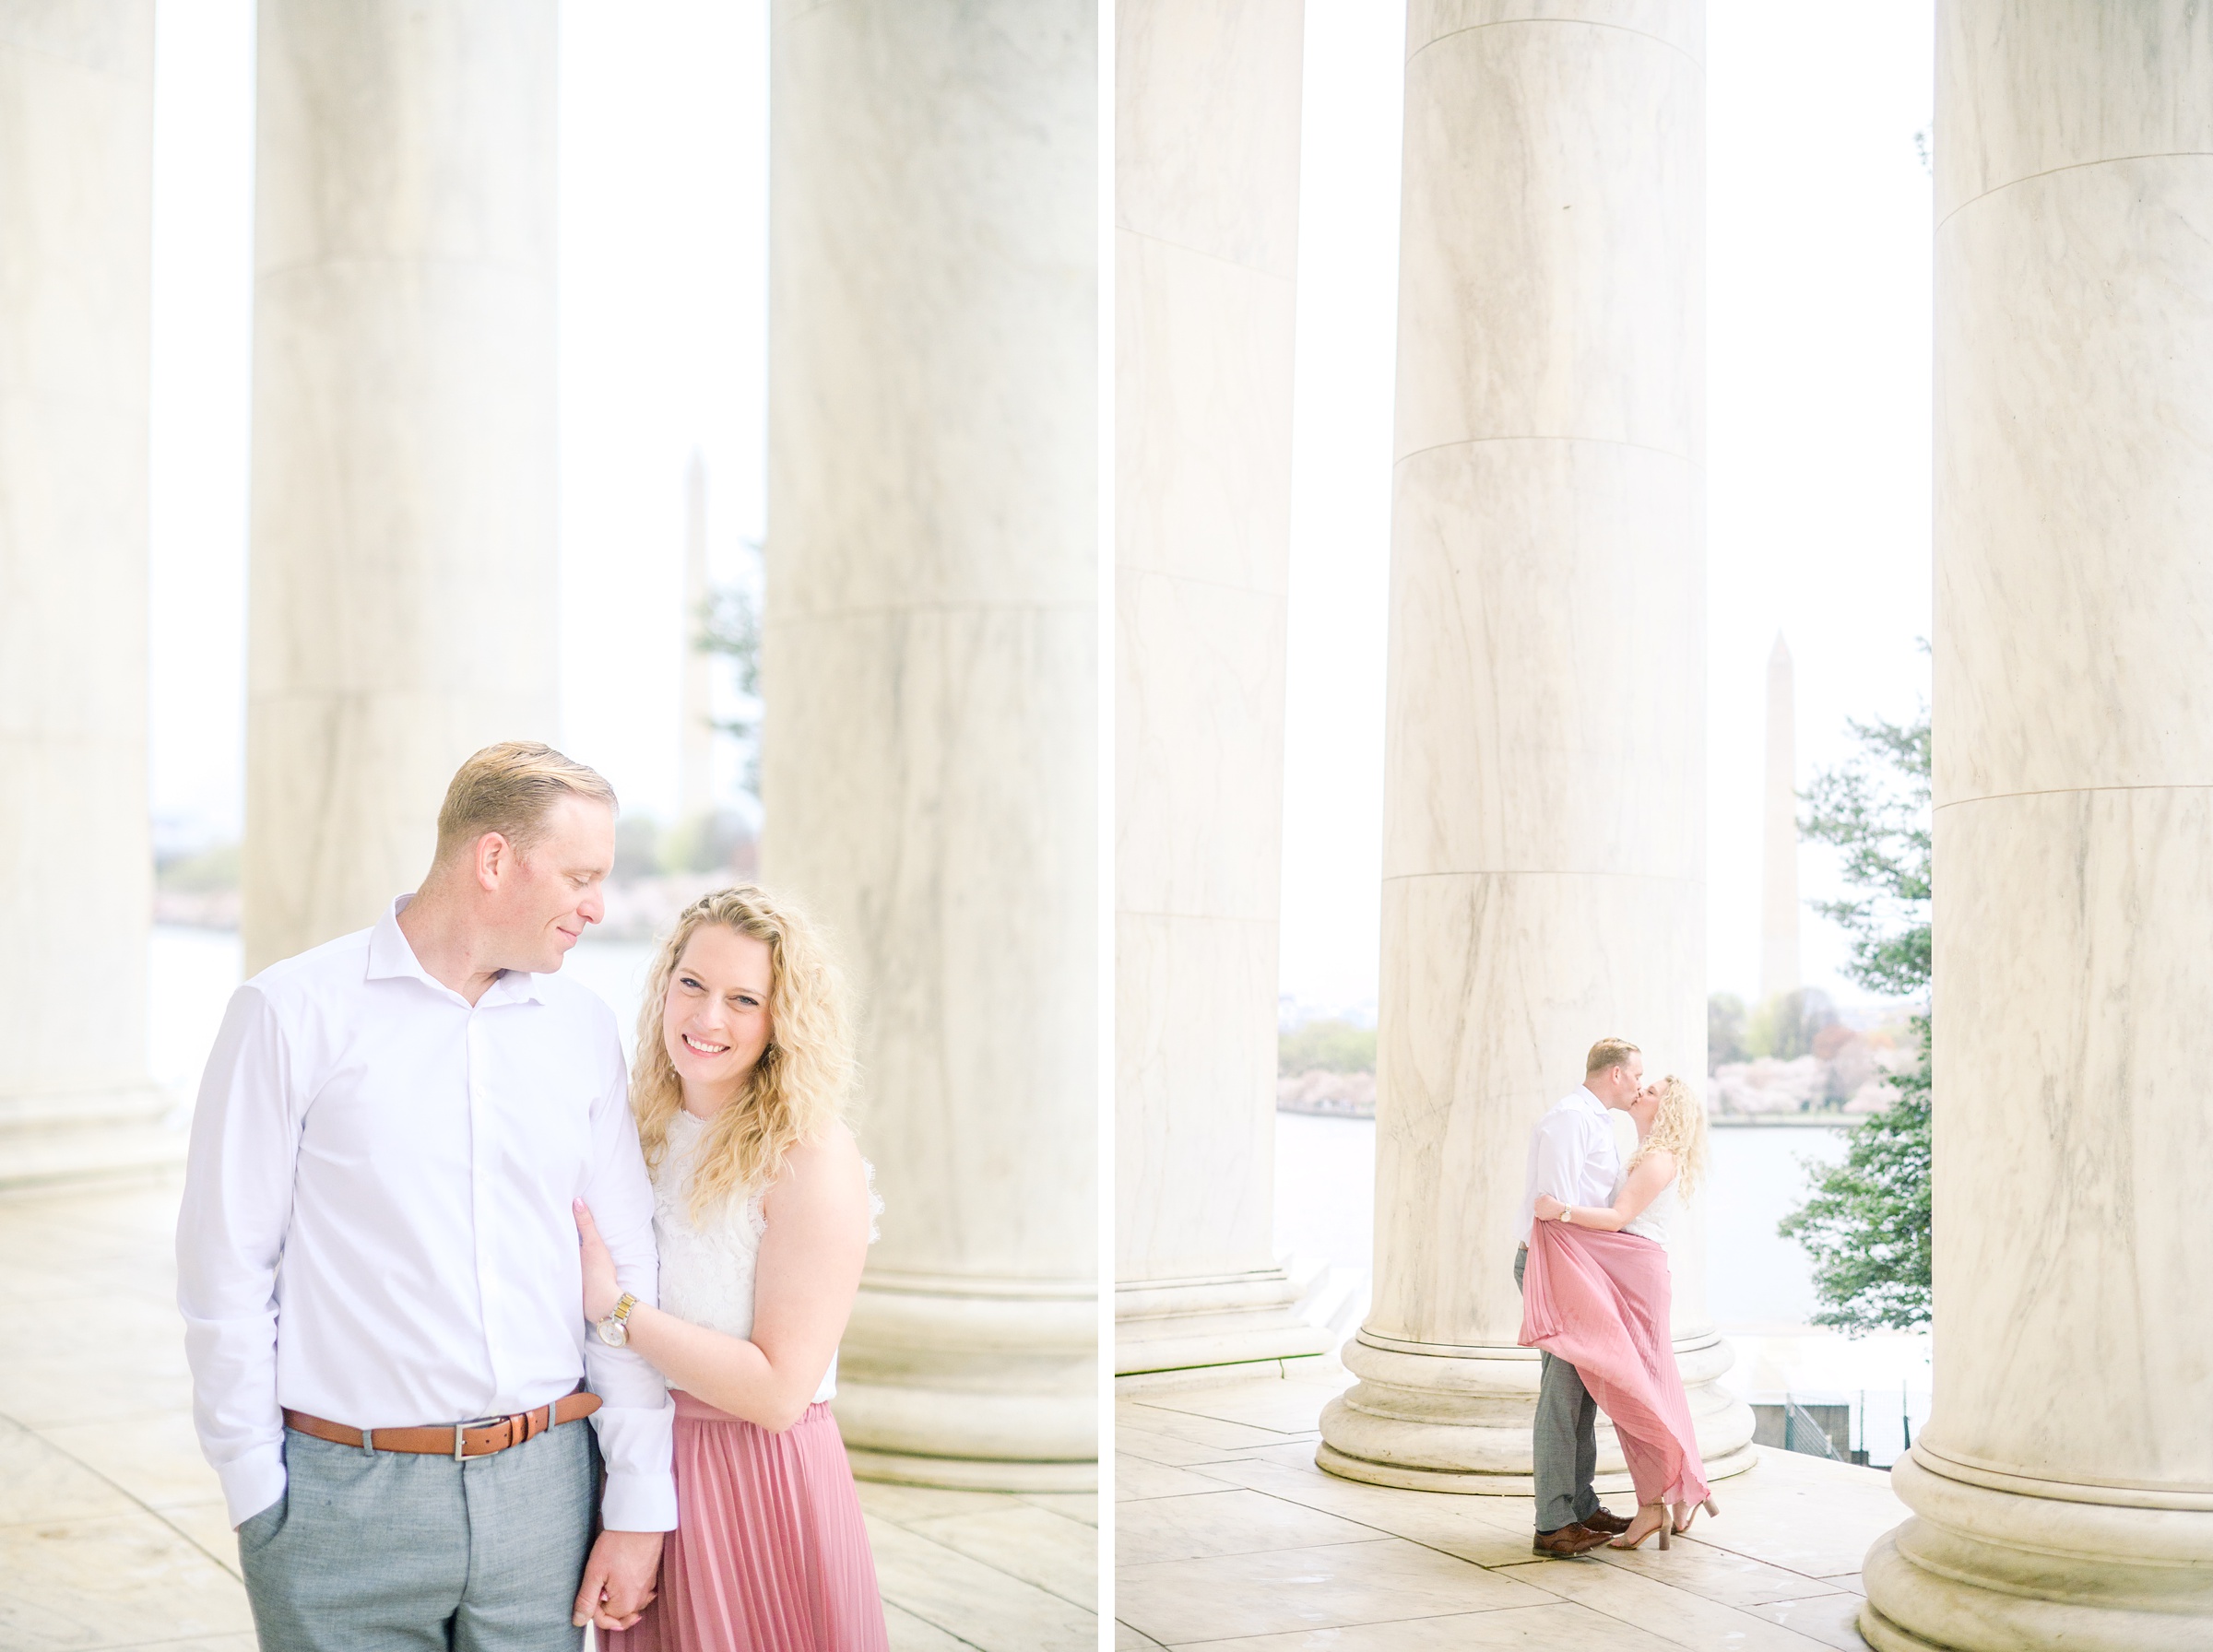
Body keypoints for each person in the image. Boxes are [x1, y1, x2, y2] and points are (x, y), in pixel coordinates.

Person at [176, 741, 675, 1649]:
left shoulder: (583, 1029)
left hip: (548, 1499)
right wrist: (256, 1491)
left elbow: (625, 1271)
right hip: (341, 1504)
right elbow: (225, 1270)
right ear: (494, 860)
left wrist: (639, 1499)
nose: (597, 907)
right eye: (579, 876)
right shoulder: (289, 1011)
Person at [580, 885, 889, 1652]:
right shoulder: (638, 1130)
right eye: (692, 984)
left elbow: (781, 1392)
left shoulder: (809, 1156)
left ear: (781, 1020)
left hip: (756, 1480)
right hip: (642, 1467)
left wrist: (616, 1309)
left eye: (743, 999)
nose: (707, 1017)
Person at [1526, 1073, 1721, 1551]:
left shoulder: (1656, 1158)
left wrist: (1560, 1211)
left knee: (1639, 1389)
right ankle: (1674, 1493)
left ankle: (1666, 1496)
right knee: (1635, 1387)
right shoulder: (1643, 1153)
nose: (1641, 1092)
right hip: (1626, 1273)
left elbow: (1615, 1220)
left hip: (1637, 1278)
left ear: (1667, 1110)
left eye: (1651, 1091)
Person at [1514, 1036, 1644, 1556]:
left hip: (1579, 1267)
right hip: (1557, 1265)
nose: (1639, 1082)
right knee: (1562, 1396)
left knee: (1583, 1391)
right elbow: (1555, 1211)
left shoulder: (1595, 1120)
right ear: (1615, 1074)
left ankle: (1582, 1506)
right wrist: (1580, 1282)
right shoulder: (1569, 1118)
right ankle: (1552, 1523)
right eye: (1637, 1074)